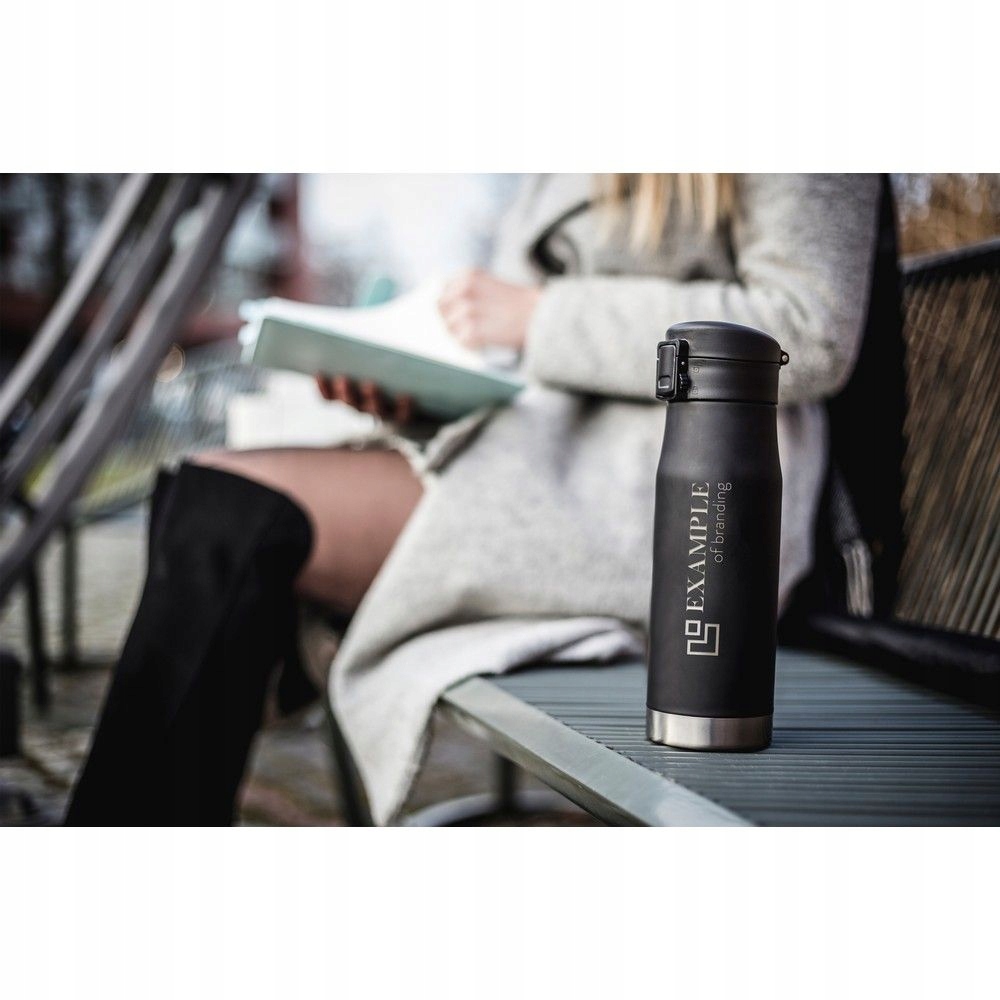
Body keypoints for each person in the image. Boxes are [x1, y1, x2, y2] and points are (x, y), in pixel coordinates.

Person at [66, 174, 889, 825]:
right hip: (531, 456)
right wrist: (416, 390)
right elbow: (515, 355)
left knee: (229, 512)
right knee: (208, 495)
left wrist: (539, 315)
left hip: (670, 492)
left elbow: (809, 326)